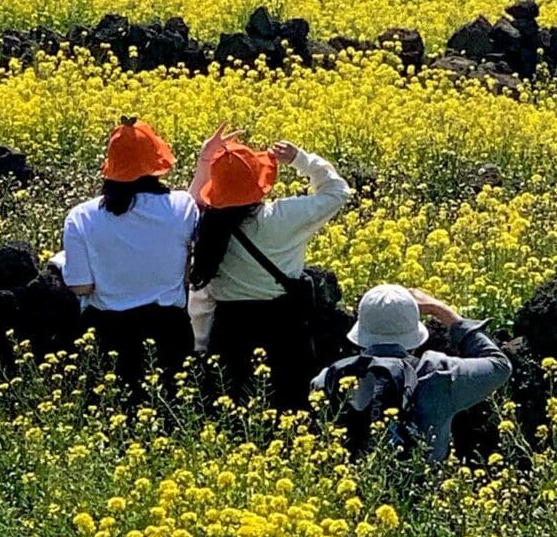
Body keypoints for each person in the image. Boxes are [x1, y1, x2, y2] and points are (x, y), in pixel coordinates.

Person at [188, 123, 351, 410]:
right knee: (287, 408)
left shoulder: (205, 227)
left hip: (229, 333)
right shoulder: (282, 216)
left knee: (233, 413)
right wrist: (302, 160)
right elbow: (337, 191)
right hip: (284, 329)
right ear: (259, 184)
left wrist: (205, 161)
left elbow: (190, 203)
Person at [60, 116, 198, 403]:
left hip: (109, 335)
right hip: (170, 334)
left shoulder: (81, 216)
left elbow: (81, 287)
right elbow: (188, 271)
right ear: (157, 165)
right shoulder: (183, 206)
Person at [312, 283, 511, 462]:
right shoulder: (439, 372)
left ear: (361, 332)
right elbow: (500, 365)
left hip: (350, 495)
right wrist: (442, 311)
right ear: (415, 333)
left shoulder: (330, 377)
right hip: (420, 496)